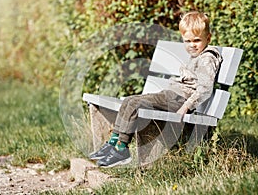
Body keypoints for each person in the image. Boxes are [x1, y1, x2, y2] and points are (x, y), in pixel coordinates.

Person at [89, 11, 223, 167]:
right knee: (129, 100)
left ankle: (121, 149)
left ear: (208, 38)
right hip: (172, 96)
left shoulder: (207, 58)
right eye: (187, 41)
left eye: (197, 40)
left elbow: (205, 88)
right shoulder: (199, 55)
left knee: (133, 103)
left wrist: (186, 106)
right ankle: (114, 144)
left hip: (179, 100)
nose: (192, 45)